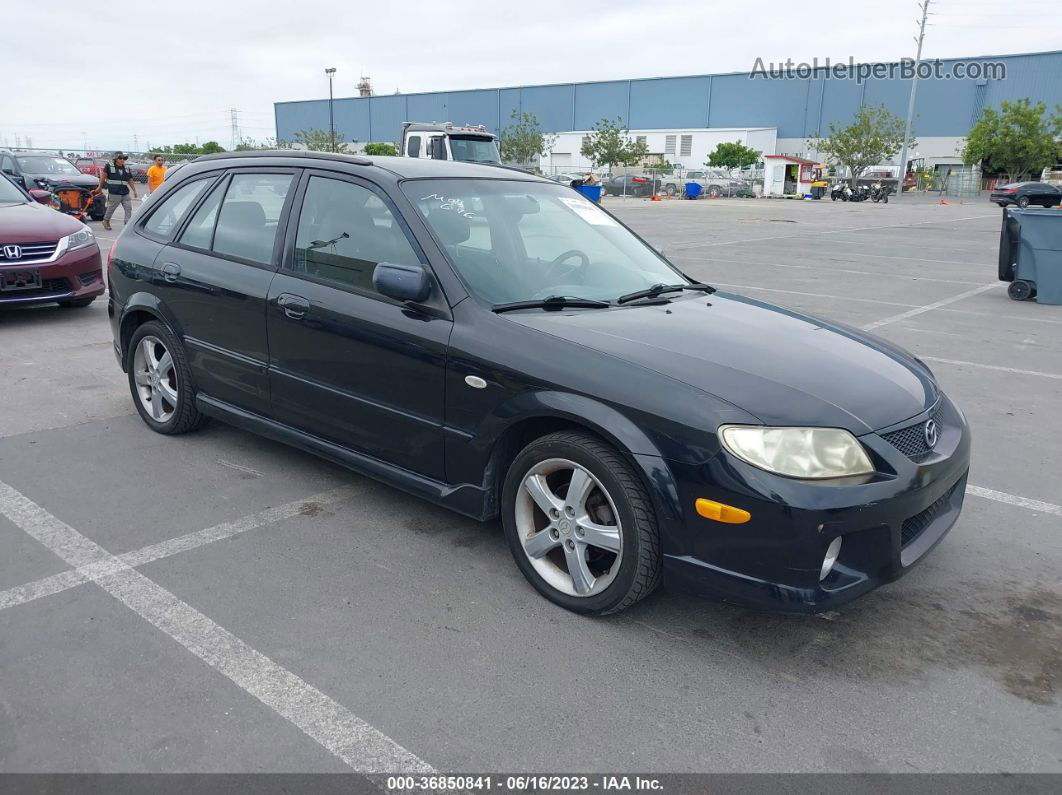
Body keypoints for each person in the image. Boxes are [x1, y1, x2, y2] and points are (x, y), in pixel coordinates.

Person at [99, 151, 138, 230]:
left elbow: (130, 180)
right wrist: (99, 187)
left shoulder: (126, 168)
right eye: (120, 158)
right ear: (116, 159)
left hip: (125, 193)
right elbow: (103, 177)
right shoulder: (109, 166)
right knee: (111, 208)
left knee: (128, 208)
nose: (122, 160)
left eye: (124, 158)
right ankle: (106, 220)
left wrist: (134, 190)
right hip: (114, 192)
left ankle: (127, 223)